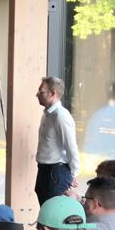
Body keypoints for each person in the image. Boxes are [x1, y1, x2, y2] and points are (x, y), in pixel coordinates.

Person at [34, 77, 80, 206]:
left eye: (41, 92)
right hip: (44, 170)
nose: (37, 95)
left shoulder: (61, 116)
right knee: (45, 211)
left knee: (55, 213)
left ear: (52, 93)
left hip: (56, 173)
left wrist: (73, 174)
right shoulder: (47, 115)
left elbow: (71, 147)